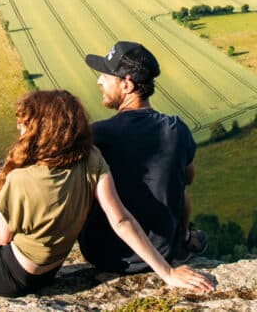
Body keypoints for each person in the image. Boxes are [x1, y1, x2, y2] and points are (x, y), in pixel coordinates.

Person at [0, 90, 215, 297]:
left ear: (45, 128)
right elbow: (121, 219)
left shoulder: (23, 180)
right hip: (47, 265)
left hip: (8, 275)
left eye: (25, 123)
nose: (19, 128)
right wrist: (165, 271)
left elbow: (0, 235)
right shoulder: (90, 157)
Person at [79, 41, 207, 274]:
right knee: (179, 185)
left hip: (103, 253)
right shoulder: (177, 129)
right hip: (162, 251)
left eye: (105, 76)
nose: (99, 81)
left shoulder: (96, 134)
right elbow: (188, 179)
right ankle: (185, 236)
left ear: (127, 85)